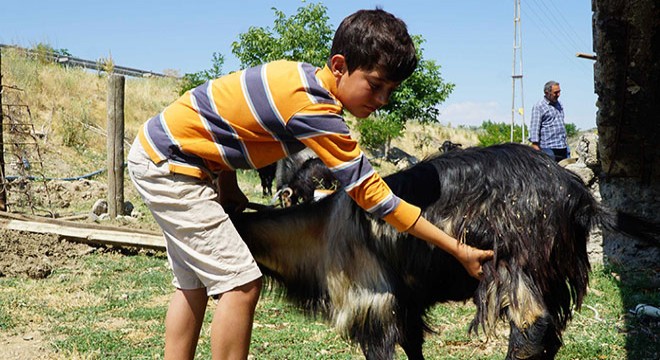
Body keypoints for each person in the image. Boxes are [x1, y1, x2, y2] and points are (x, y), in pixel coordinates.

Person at [127, 8, 494, 360]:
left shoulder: (298, 79)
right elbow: (375, 197)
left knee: (192, 285)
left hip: (166, 154)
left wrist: (227, 185)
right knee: (240, 284)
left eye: (390, 91)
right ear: (339, 66)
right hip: (171, 166)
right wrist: (455, 248)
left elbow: (220, 120)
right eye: (376, 85)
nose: (382, 100)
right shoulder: (315, 111)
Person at [529, 80, 569, 161]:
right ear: (547, 93)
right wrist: (535, 145)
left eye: (559, 92)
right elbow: (534, 127)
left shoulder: (559, 104)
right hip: (547, 148)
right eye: (555, 92)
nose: (558, 95)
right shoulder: (539, 106)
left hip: (562, 146)